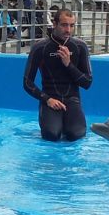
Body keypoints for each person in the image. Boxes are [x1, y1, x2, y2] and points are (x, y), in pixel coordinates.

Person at [23, 9, 92, 142]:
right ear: (54, 24)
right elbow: (27, 83)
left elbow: (87, 82)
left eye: (72, 25)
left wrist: (68, 64)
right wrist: (47, 99)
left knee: (76, 135)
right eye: (64, 25)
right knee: (51, 135)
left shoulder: (79, 47)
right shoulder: (40, 48)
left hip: (72, 99)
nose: (68, 30)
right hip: (50, 99)